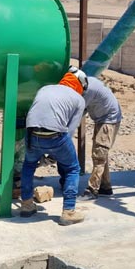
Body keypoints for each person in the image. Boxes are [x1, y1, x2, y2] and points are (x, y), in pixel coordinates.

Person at [19, 66, 88, 226]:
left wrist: (45, 156)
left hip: (32, 133)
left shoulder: (46, 88)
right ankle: (68, 211)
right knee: (72, 168)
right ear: (79, 84)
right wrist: (56, 154)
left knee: (29, 166)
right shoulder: (79, 100)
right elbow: (70, 130)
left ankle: (27, 205)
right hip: (56, 136)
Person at [79, 75, 122, 199]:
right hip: (104, 119)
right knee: (102, 155)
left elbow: (78, 111)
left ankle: (92, 189)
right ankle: (105, 186)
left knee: (99, 155)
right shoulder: (88, 81)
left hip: (108, 121)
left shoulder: (88, 90)